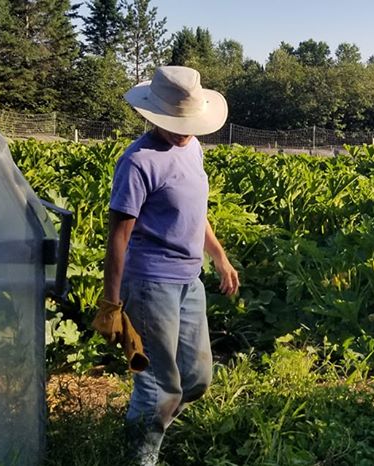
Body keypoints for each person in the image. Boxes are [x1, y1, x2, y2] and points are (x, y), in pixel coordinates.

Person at [98, 66, 240, 465]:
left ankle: (148, 427)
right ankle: (141, 456)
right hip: (149, 284)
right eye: (176, 122)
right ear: (155, 115)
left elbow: (195, 212)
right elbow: (118, 237)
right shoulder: (138, 162)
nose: (183, 129)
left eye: (188, 122)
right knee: (159, 385)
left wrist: (219, 256)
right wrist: (112, 303)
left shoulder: (191, 147)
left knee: (195, 380)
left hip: (188, 280)